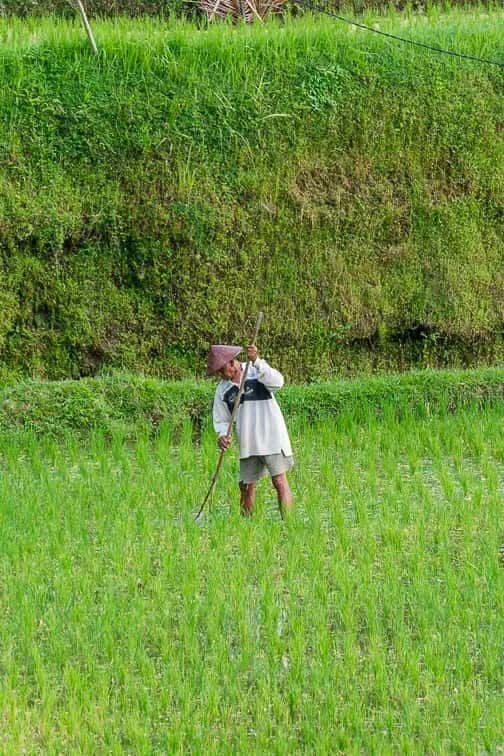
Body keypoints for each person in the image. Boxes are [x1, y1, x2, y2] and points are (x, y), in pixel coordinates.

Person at [207, 343, 294, 517]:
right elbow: (221, 419)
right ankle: (247, 527)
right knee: (246, 486)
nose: (220, 374)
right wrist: (222, 436)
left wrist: (257, 361)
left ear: (232, 363)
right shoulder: (222, 390)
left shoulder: (256, 371)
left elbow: (278, 382)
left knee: (279, 481)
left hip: (272, 437)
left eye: (221, 369)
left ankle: (289, 527)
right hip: (248, 442)